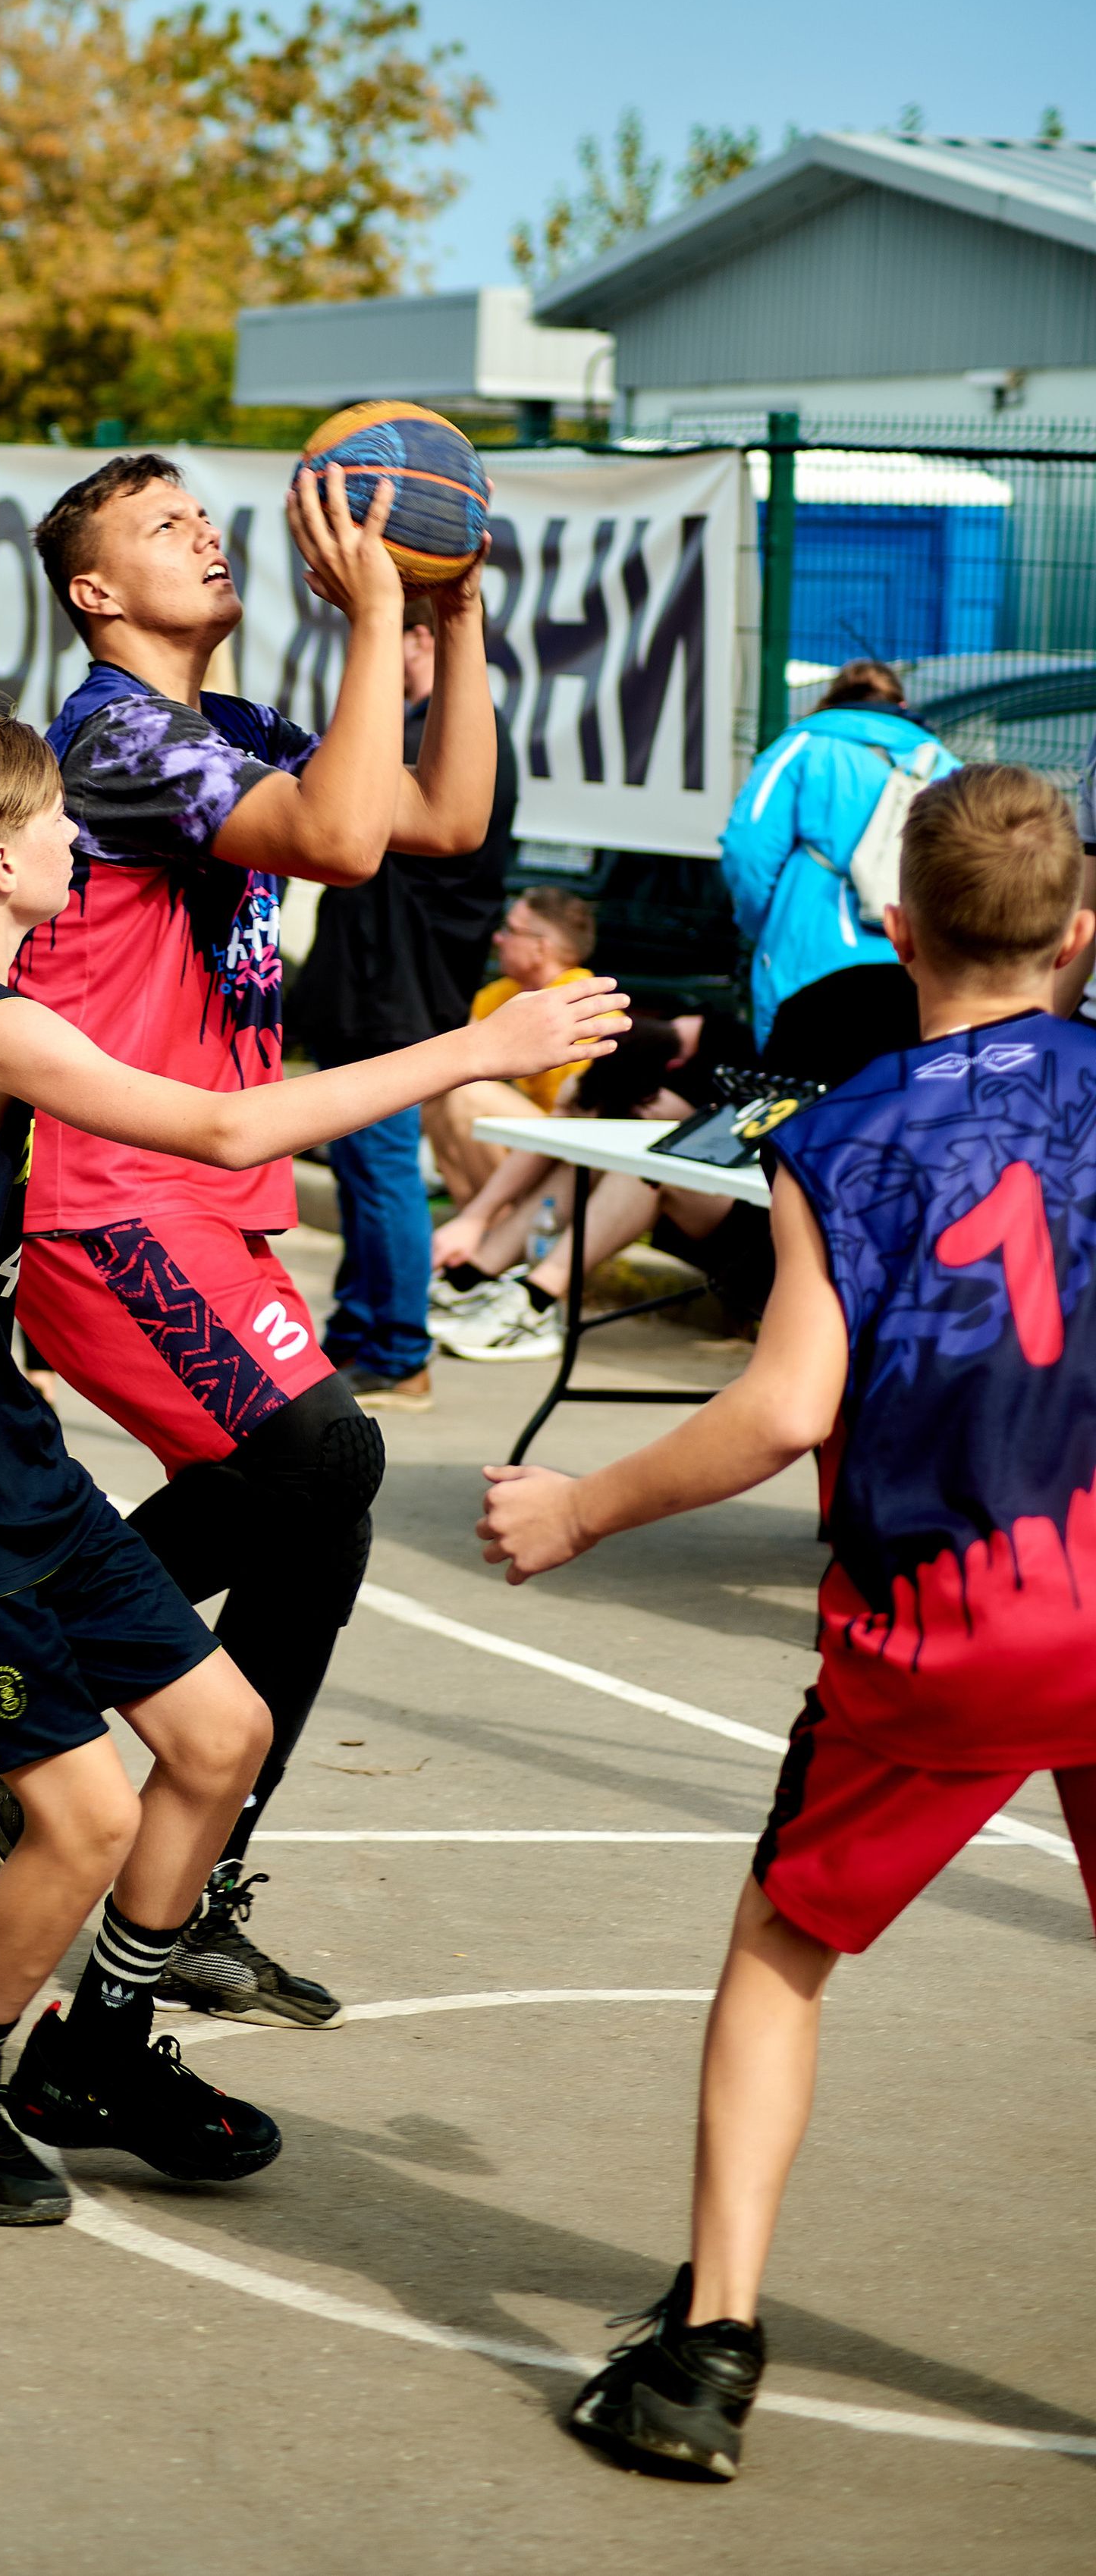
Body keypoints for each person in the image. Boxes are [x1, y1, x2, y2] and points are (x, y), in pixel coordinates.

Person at [0, 711, 626, 2222]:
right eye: (56, 829)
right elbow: (225, 1123)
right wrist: (479, 1049)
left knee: (220, 1737)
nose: (74, 844)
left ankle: (95, 2052)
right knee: (86, 1817)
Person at [478, 763, 1096, 2483]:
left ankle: (705, 2348)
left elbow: (779, 1406)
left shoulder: (840, 1133)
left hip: (953, 1604)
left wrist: (581, 1500)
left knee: (778, 1950)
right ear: (1078, 932)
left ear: (892, 929)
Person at [12, 451, 502, 2026]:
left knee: (324, 1510)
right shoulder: (113, 733)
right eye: (163, 529)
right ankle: (25, 1714)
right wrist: (370, 619)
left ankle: (192, 1882)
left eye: (200, 517)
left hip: (206, 1201)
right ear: (94, 593)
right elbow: (348, 847)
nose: (204, 539)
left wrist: (456, 611)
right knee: (309, 1467)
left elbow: (437, 812)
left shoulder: (221, 730)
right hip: (104, 1197)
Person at [291, 584, 520, 1410]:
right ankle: (359, 1334)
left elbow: (339, 805)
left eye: (388, 640)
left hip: (394, 993)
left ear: (417, 642)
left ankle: (398, 1349)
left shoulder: (438, 744)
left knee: (382, 1170)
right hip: (379, 989)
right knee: (361, 1169)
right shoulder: (432, 738)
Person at [432, 1002, 762, 1363]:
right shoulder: (686, 1036)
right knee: (580, 1162)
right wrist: (475, 1217)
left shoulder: (723, 1060)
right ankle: (472, 1278)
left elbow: (691, 1121)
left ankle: (537, 1300)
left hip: (752, 1226)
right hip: (712, 1189)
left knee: (643, 1167)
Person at [721, 657, 959, 1049]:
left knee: (803, 1090)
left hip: (810, 957)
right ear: (901, 705)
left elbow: (748, 847)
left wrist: (759, 921)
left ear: (830, 702)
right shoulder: (944, 765)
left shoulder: (802, 746)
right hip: (915, 964)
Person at [426, 886, 599, 1204]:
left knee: (469, 1096)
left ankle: (497, 1225)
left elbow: (585, 1115)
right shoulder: (504, 994)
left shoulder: (578, 999)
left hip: (579, 1145)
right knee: (436, 1095)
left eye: (511, 930)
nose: (498, 938)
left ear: (540, 949)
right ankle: (471, 1219)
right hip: (535, 1132)